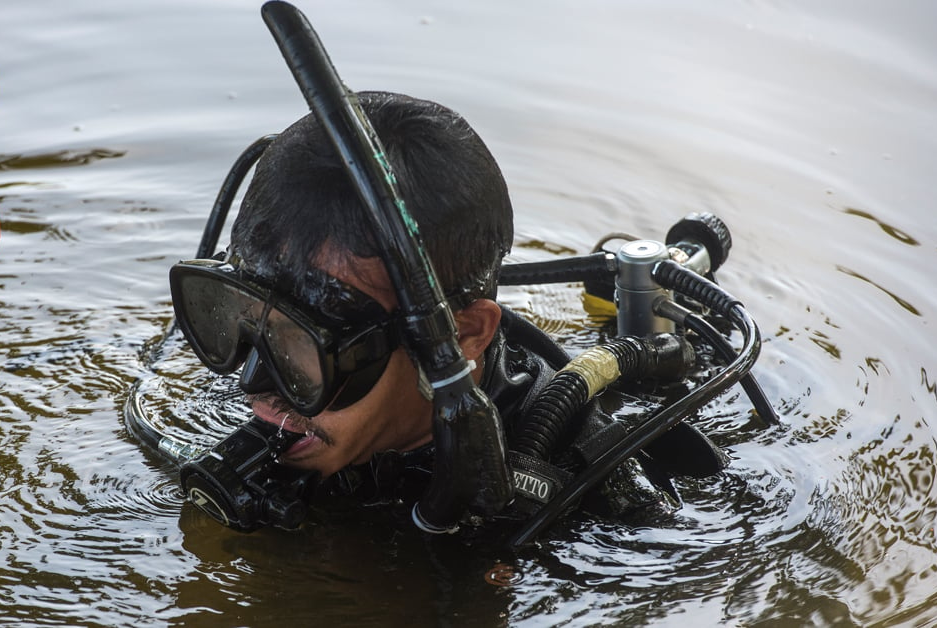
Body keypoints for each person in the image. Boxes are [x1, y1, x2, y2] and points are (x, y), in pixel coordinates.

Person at [167, 90, 715, 530]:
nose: (251, 380)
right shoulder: (297, 399)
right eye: (246, 320)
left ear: (466, 334)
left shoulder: (592, 502)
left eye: (303, 346)